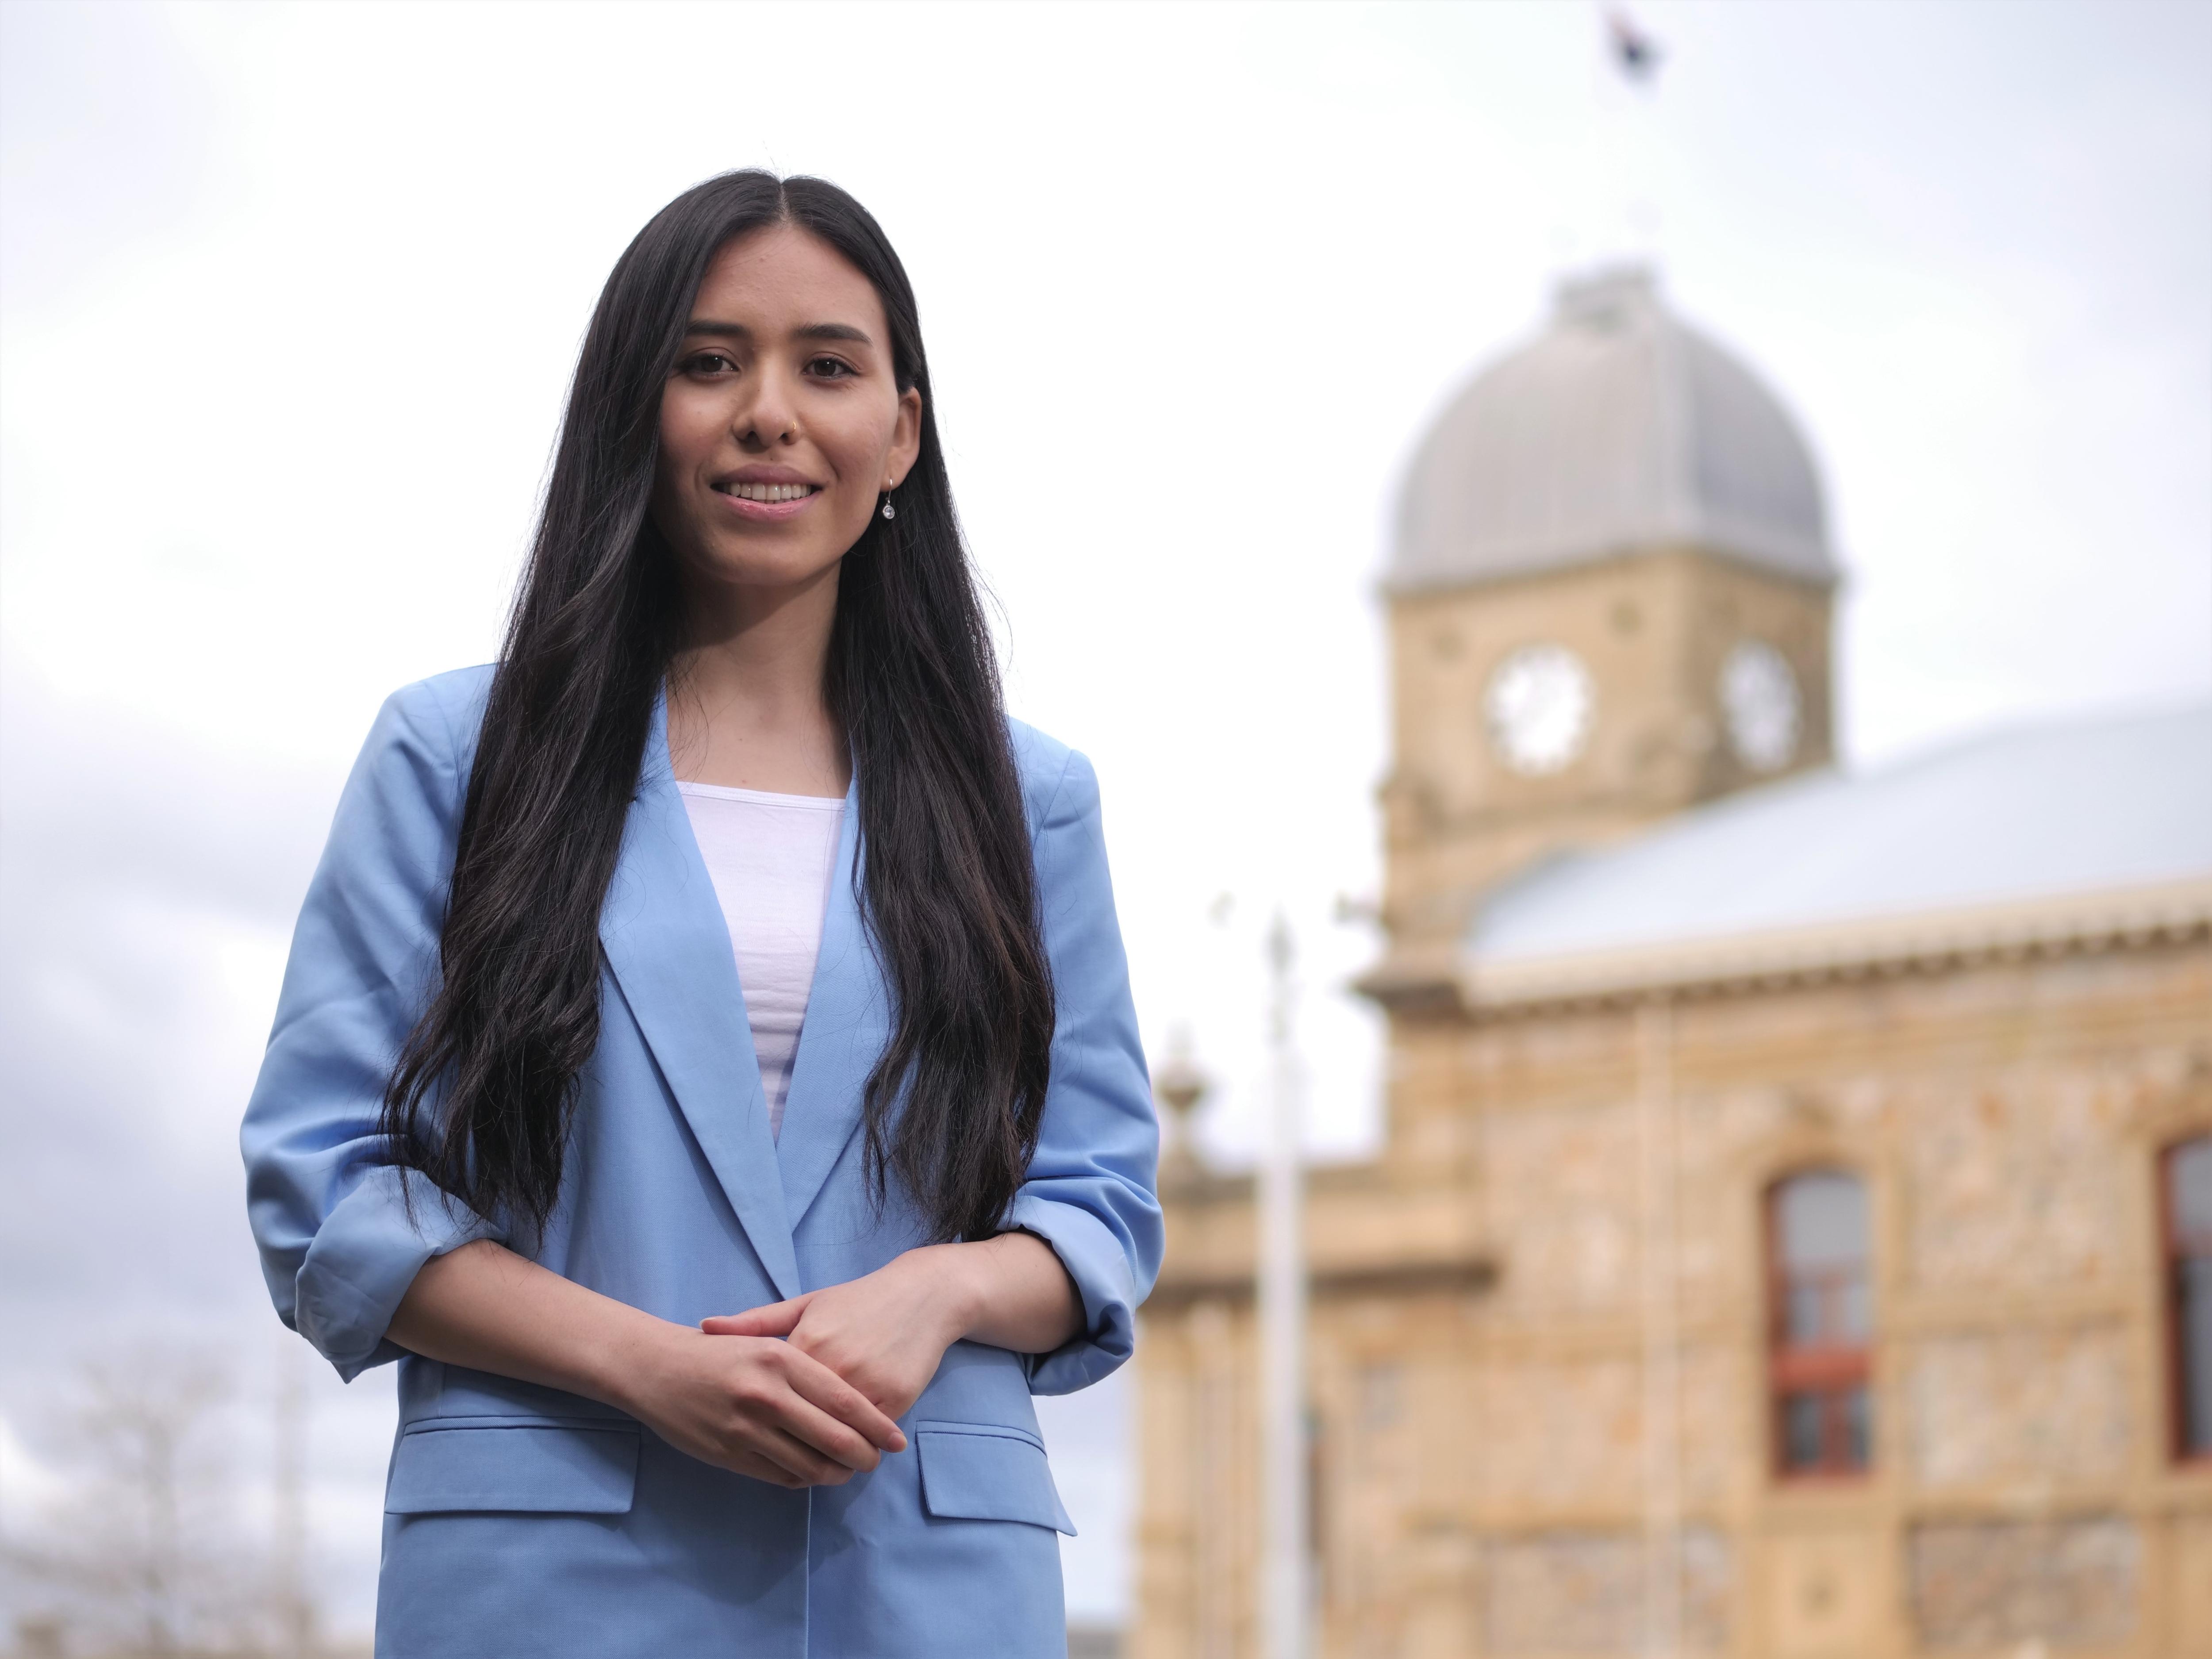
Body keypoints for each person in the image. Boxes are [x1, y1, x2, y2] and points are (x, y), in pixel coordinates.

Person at [240, 169, 1161, 1657]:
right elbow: (325, 1185)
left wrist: (937, 1292)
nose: (769, 414)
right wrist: (645, 1366)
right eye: (710, 362)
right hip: (548, 1581)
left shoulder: (1030, 801)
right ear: (634, 411)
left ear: (902, 434)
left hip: (925, 1585)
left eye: (829, 368)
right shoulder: (454, 761)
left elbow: (1102, 1205)